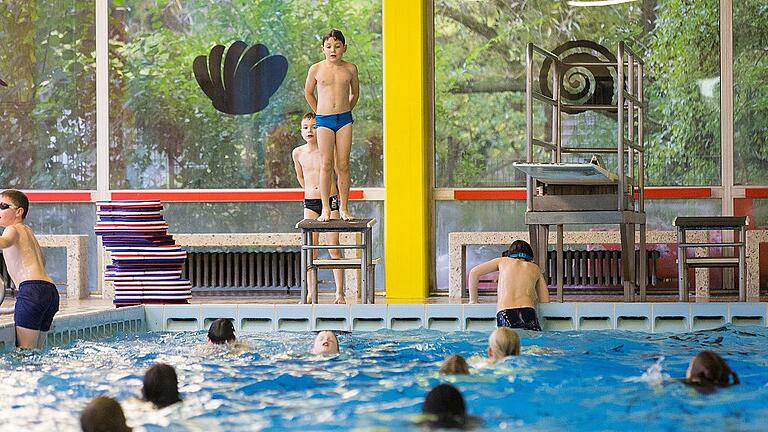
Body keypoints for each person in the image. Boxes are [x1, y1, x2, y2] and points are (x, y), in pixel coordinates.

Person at [304, 28, 360, 222]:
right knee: (326, 164)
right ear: (323, 49)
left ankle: (344, 208)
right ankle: (326, 209)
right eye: (329, 46)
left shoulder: (350, 68)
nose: (333, 50)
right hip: (324, 120)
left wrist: (346, 109)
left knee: (343, 165)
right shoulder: (316, 69)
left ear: (344, 48)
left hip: (344, 119)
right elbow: (308, 93)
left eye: (337, 46)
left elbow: (355, 94)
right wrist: (319, 112)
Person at [292, 112, 345, 304]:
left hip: (330, 200)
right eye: (305, 127)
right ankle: (310, 292)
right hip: (310, 202)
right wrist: (309, 189)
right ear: (301, 130)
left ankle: (339, 292)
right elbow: (300, 176)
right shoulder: (297, 153)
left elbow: (340, 174)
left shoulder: (328, 150)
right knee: (310, 251)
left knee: (334, 249)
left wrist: (339, 200)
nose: (309, 131)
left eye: (314, 127)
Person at [0, 189, 60, 348]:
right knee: (37, 352)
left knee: (25, 354)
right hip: (50, 291)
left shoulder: (12, 229)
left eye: (2, 206)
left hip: (31, 290)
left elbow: (4, 242)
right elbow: (42, 260)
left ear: (19, 212)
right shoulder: (29, 232)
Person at [468, 239, 549, 331]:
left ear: (509, 254)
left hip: (505, 312)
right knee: (533, 344)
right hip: (528, 312)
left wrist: (473, 300)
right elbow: (545, 300)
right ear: (531, 258)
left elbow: (474, 272)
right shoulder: (535, 268)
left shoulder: (502, 261)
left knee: (508, 343)